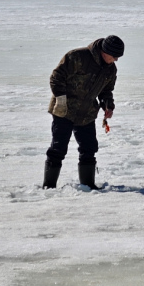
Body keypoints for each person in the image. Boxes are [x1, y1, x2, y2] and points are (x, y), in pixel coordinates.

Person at [43, 35, 124, 190]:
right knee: (58, 149)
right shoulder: (77, 56)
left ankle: (88, 186)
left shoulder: (110, 69)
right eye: (114, 56)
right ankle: (49, 187)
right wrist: (61, 100)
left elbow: (106, 91)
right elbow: (56, 77)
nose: (116, 60)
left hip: (86, 113)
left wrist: (108, 105)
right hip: (64, 110)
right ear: (105, 51)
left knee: (89, 149)